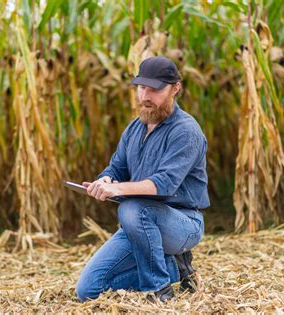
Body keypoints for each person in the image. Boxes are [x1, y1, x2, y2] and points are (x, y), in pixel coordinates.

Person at [75, 56, 210, 303]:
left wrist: (117, 190)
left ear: (175, 88)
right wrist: (105, 180)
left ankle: (159, 289)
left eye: (155, 89)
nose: (145, 96)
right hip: (138, 224)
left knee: (131, 207)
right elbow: (116, 168)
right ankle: (174, 269)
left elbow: (164, 183)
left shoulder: (186, 131)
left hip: (182, 224)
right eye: (141, 87)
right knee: (88, 291)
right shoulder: (134, 129)